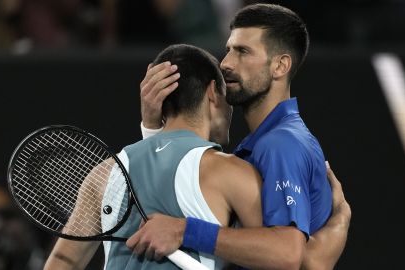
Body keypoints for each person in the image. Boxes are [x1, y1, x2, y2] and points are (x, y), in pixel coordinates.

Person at [127, 3, 351, 270]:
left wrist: (184, 231)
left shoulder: (281, 145)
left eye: (243, 52)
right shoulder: (262, 143)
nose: (226, 63)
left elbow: (290, 255)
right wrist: (153, 129)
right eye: (229, 50)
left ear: (280, 66)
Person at [44, 43, 265, 269]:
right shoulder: (231, 172)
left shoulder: (105, 173)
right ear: (212, 92)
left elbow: (63, 261)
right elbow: (276, 254)